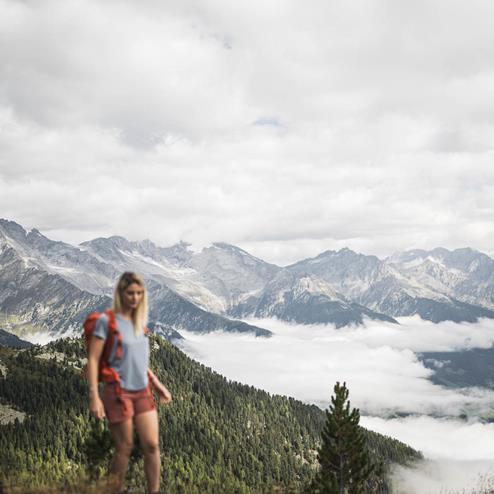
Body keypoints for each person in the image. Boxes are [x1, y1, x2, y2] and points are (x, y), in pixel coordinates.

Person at [87, 272, 172, 494]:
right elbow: (94, 359)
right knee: (124, 447)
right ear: (121, 294)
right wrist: (95, 397)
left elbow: (138, 361)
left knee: (152, 446)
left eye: (139, 293)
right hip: (117, 392)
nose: (135, 297)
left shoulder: (139, 323)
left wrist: (157, 384)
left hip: (142, 391)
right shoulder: (107, 322)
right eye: (130, 293)